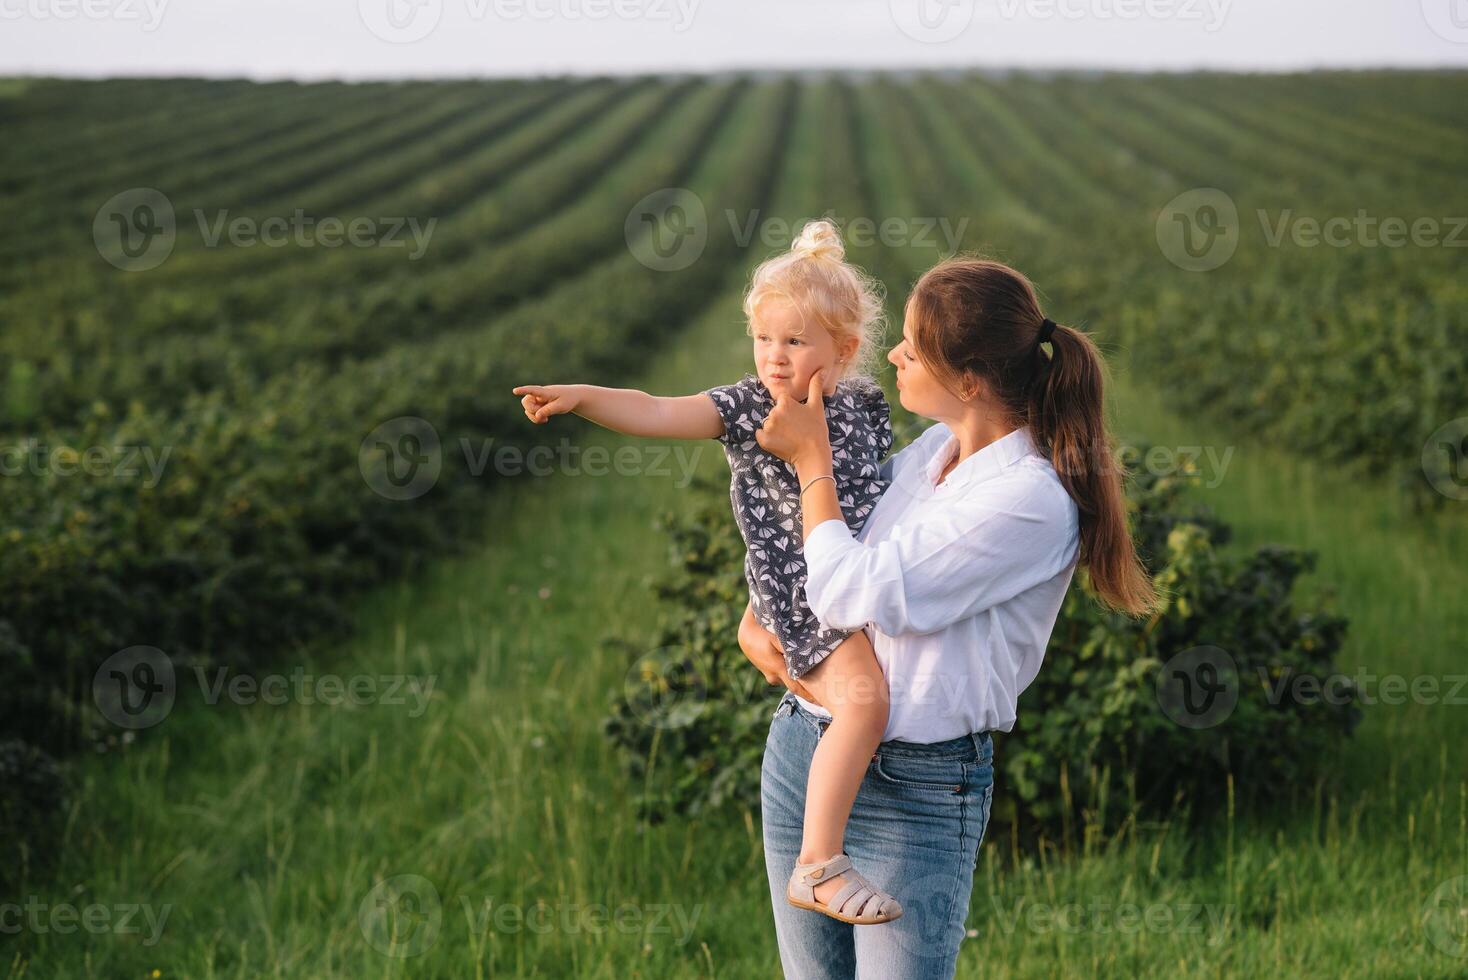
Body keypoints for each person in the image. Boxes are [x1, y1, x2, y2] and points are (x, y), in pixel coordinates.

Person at [743, 257, 1159, 978]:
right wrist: (760, 612)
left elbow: (845, 589)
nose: (895, 354)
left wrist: (812, 459)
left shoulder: (1027, 500)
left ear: (968, 380)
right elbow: (841, 535)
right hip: (805, 747)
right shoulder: (935, 450)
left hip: (917, 784)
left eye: (912, 344)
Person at [513, 219, 910, 927]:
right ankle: (818, 864)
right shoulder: (747, 406)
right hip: (802, 592)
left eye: (794, 341)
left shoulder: (866, 406)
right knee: (864, 699)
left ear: (844, 350)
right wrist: (582, 395)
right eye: (763, 340)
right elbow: (659, 409)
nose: (774, 357)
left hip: (849, 577)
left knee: (871, 696)